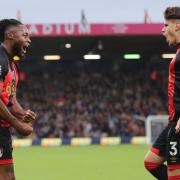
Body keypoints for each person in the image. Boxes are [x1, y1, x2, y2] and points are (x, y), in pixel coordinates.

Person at [144, 6, 180, 180]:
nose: (163, 30)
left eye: (166, 25)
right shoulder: (177, 54)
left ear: (177, 26)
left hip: (179, 125)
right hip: (173, 124)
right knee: (151, 162)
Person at [0, 19, 36, 180]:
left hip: (3, 130)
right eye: (25, 35)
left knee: (8, 176)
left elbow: (10, 99)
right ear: (10, 35)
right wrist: (17, 123)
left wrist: (22, 114)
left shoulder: (13, 65)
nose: (29, 40)